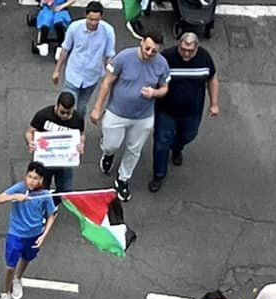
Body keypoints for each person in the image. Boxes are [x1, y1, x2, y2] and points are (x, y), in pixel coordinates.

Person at [91, 29, 171, 198]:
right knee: (111, 144)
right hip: (117, 112)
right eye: (147, 48)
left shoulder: (162, 64)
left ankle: (123, 179)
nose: (149, 53)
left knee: (134, 149)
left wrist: (154, 93)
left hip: (144, 116)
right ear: (141, 42)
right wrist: (98, 108)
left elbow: (165, 87)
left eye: (154, 51)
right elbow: (107, 82)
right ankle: (108, 153)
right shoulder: (124, 57)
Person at [150, 29, 220, 190]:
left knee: (189, 135)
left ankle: (177, 148)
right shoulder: (166, 57)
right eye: (183, 49)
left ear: (197, 48)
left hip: (192, 111)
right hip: (166, 111)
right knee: (161, 143)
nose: (186, 54)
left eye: (190, 51)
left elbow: (212, 79)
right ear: (178, 45)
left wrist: (214, 103)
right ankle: (158, 176)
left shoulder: (204, 57)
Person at [0, 163, 58, 299]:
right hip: (16, 234)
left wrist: (43, 236)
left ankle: (18, 279)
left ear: (41, 180)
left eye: (36, 178)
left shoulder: (45, 195)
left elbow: (51, 215)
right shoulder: (19, 188)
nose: (31, 181)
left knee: (27, 259)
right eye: (29, 176)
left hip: (34, 234)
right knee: (9, 266)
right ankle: (5, 294)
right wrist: (14, 197)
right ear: (25, 176)